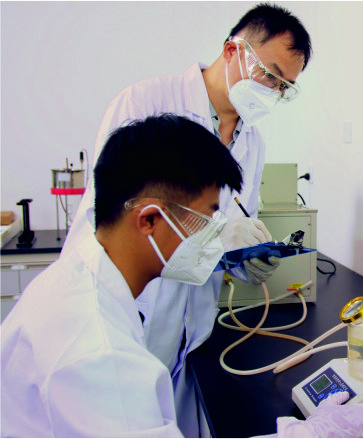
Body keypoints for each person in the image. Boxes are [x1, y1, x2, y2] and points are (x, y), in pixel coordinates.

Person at [1, 114, 363, 437]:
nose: (216, 233)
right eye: (207, 217)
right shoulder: (100, 353)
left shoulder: (76, 282)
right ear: (149, 219)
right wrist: (314, 435)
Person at [62, 3, 313, 436]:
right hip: (129, 308)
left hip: (190, 324)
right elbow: (118, 215)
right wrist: (218, 236)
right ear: (233, 51)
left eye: (284, 87)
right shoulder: (146, 104)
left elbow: (233, 223)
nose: (273, 91)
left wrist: (244, 258)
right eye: (269, 75)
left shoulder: (252, 141)